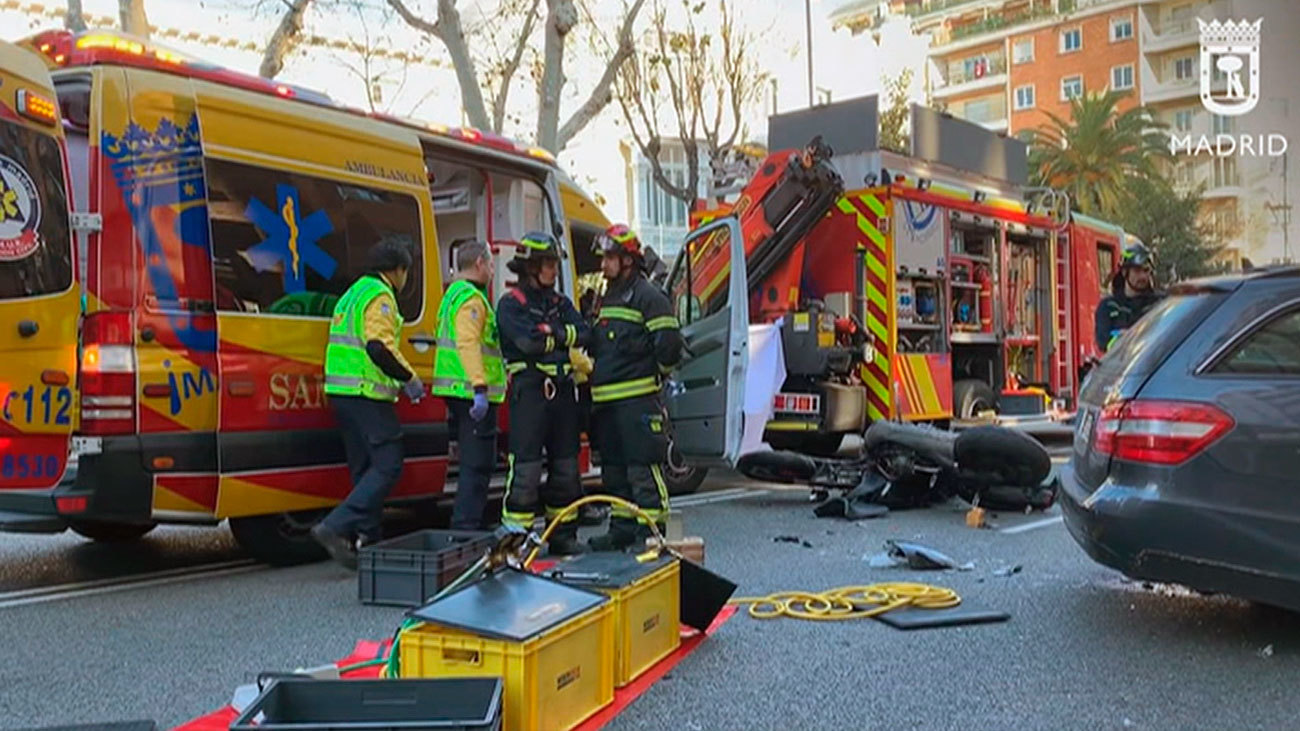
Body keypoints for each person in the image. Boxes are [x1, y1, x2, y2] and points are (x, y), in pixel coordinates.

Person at [313, 240, 425, 568]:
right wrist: (410, 380)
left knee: (364, 470)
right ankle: (335, 527)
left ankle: (367, 543)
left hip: (342, 393)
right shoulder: (380, 296)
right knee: (389, 465)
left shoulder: (352, 294)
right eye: (407, 271)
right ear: (398, 270)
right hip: (366, 394)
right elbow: (378, 348)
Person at [587, 224, 684, 551]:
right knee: (614, 471)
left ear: (628, 259)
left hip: (638, 402)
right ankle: (622, 528)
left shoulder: (648, 297)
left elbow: (669, 345)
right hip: (607, 404)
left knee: (642, 467)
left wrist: (657, 374)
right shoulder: (604, 297)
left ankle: (653, 530)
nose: (604, 265)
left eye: (610, 258)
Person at [496, 232, 591, 555]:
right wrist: (560, 338)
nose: (553, 270)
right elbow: (527, 343)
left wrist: (553, 333)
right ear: (530, 266)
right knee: (526, 470)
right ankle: (516, 540)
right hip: (530, 394)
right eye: (548, 264)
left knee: (566, 468)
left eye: (553, 263)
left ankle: (563, 535)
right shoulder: (510, 304)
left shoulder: (560, 302)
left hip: (563, 394)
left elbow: (585, 332)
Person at [432, 240, 507, 530]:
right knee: (477, 465)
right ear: (479, 264)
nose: (491, 270)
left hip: (457, 390)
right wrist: (479, 388)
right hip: (469, 391)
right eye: (490, 264)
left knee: (475, 463)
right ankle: (466, 528)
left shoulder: (452, 295)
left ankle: (467, 525)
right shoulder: (471, 300)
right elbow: (468, 343)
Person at [1094, 241, 1164, 353]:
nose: (1143, 276)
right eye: (1137, 271)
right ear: (1125, 272)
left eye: (1146, 270)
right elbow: (1103, 341)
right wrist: (1121, 339)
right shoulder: (1108, 307)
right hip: (1122, 368)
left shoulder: (1160, 303)